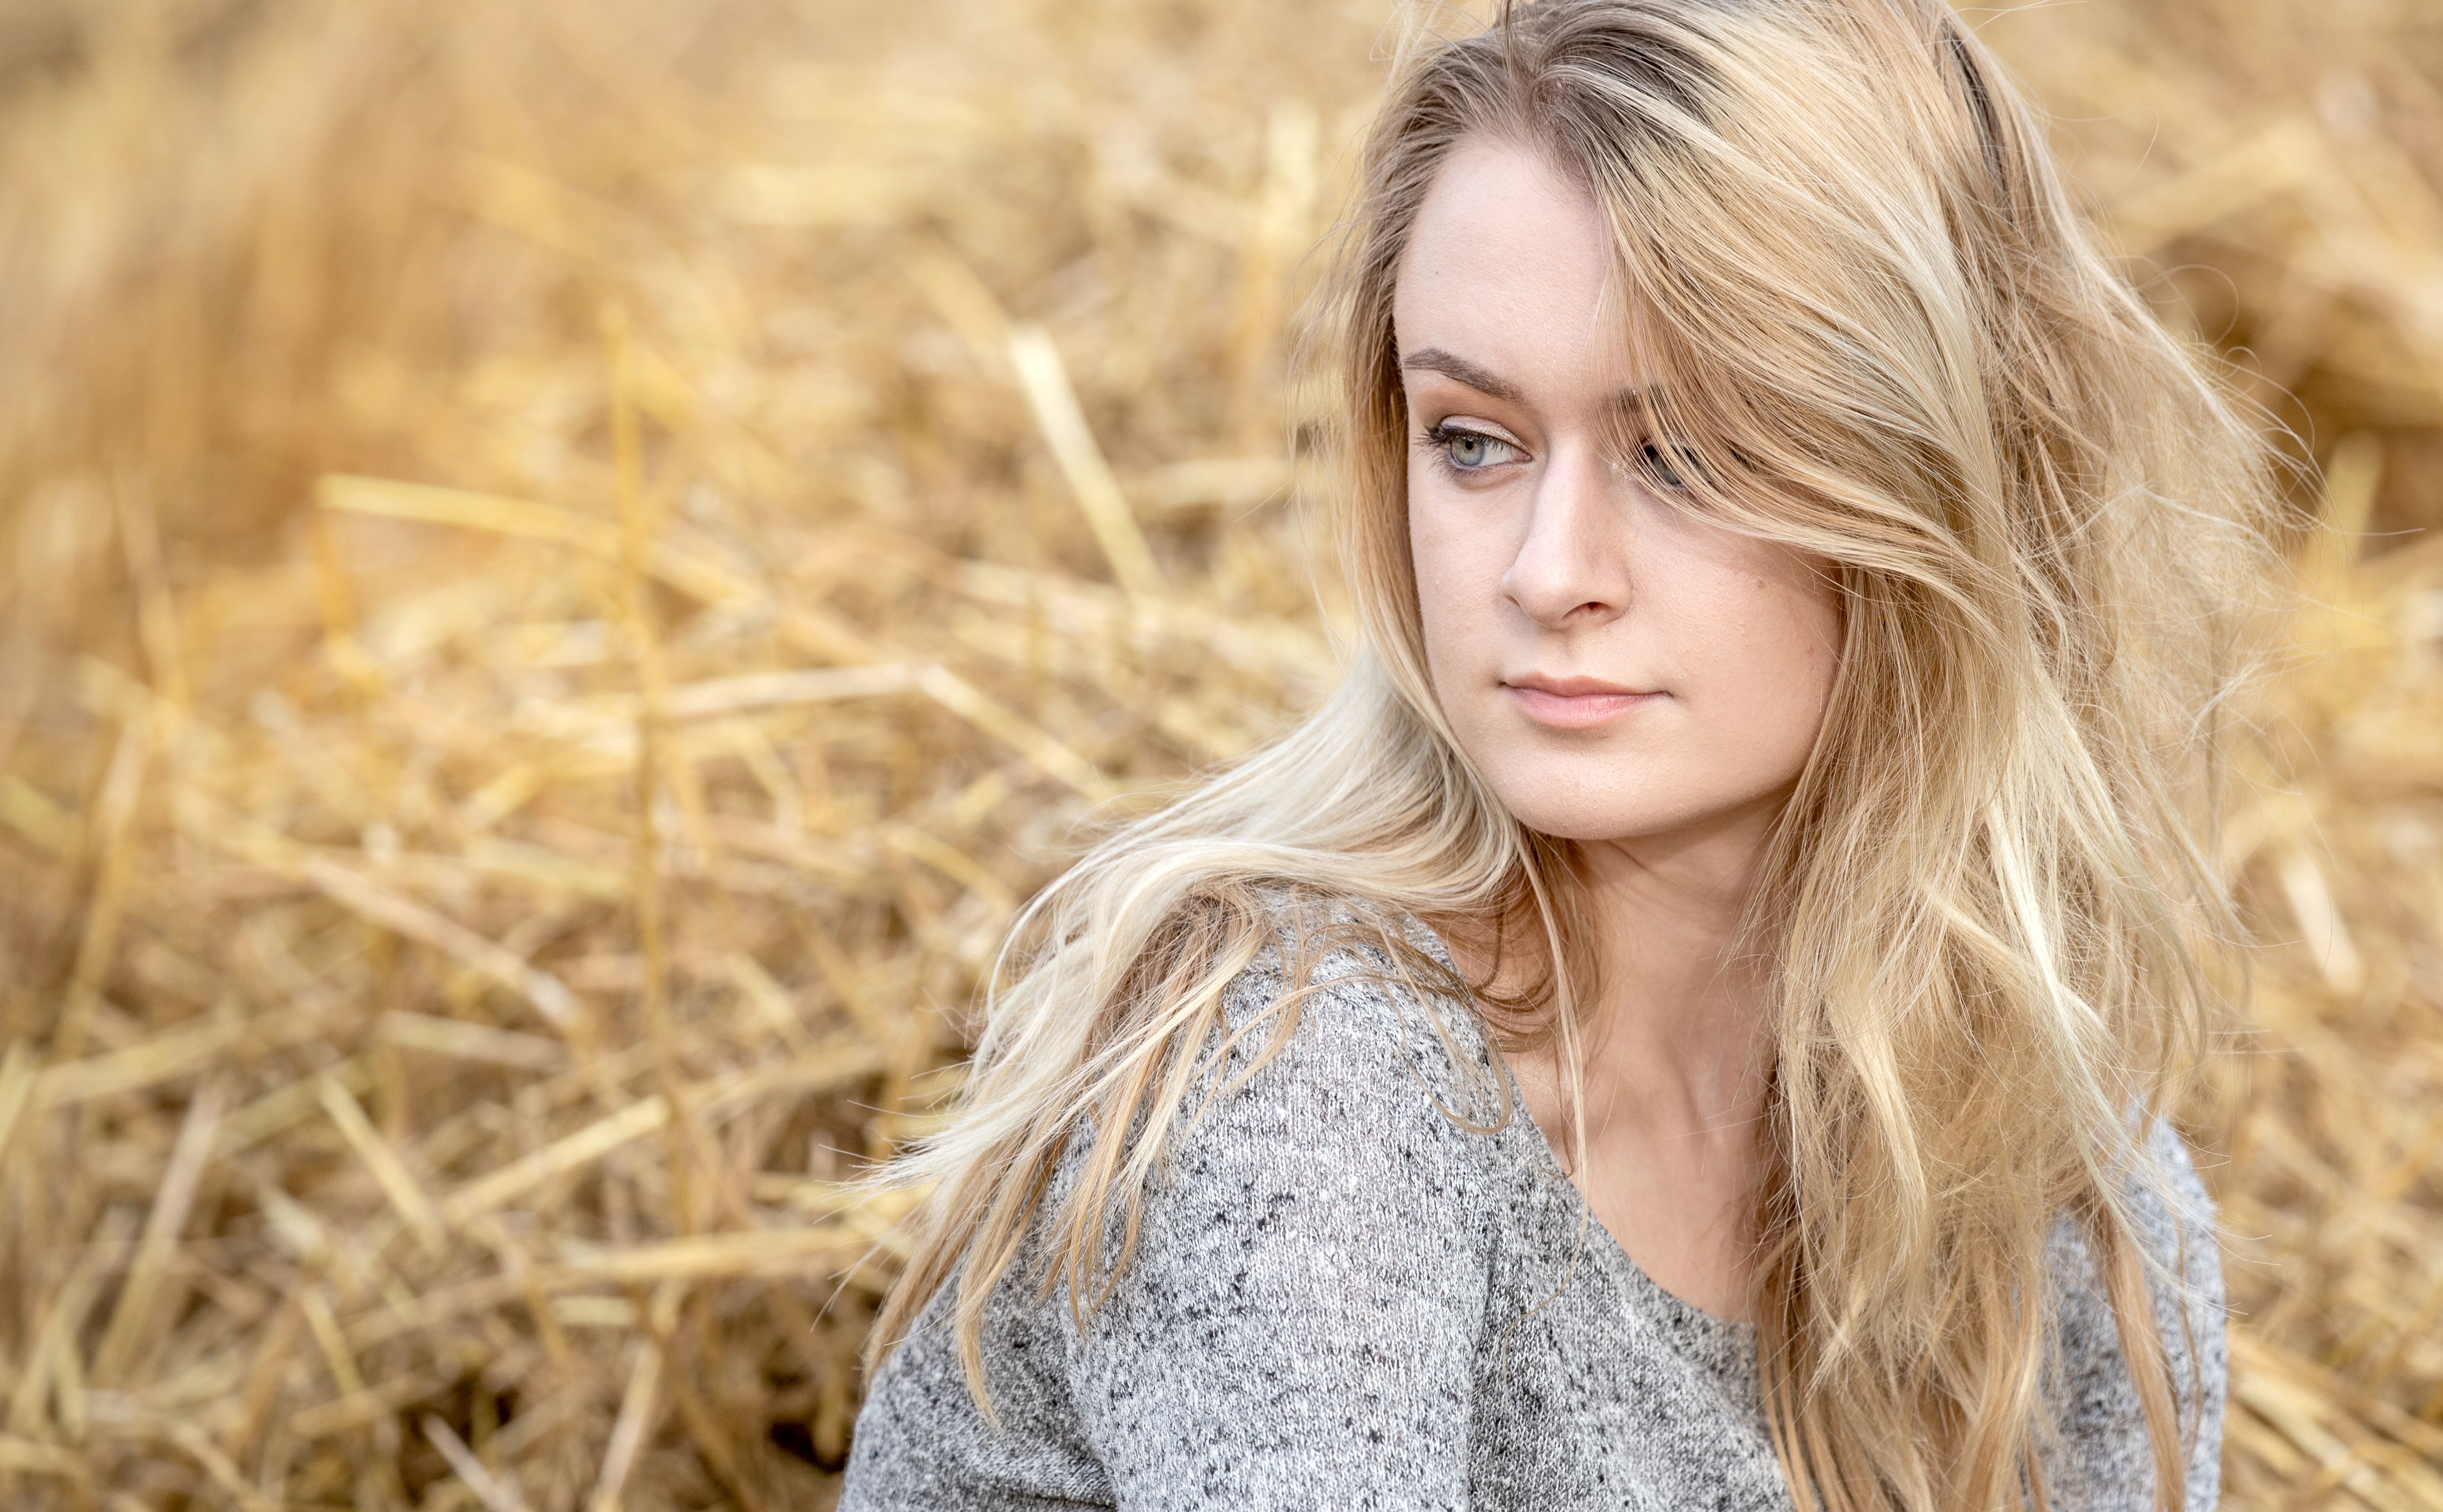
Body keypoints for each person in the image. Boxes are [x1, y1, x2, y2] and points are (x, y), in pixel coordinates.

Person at [841, 0, 2273, 1507]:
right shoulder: (1306, 1085)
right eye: (1473, 439)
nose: (1545, 570)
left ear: (1939, 478)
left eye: (1686, 453)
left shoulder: (2057, 1192)